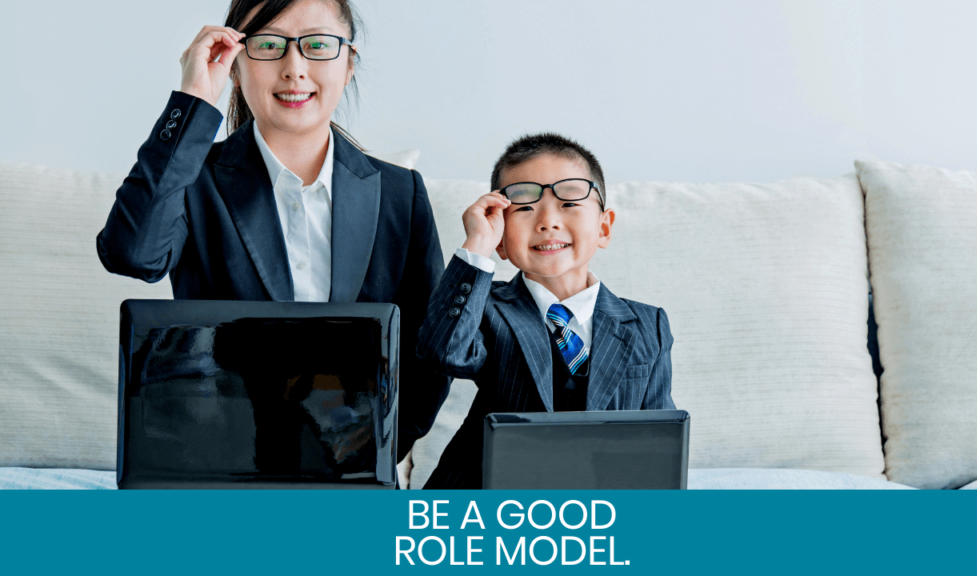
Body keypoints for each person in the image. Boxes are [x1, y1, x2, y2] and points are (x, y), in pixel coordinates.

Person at [96, 0, 449, 459]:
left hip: (351, 470)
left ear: (349, 66)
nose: (294, 68)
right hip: (217, 467)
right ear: (235, 67)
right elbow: (130, 253)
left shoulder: (402, 193)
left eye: (318, 45)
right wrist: (193, 102)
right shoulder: (193, 180)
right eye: (267, 44)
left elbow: (430, 352)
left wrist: (376, 451)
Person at [417, 133, 675, 489]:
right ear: (503, 242)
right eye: (524, 207)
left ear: (603, 226)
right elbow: (442, 351)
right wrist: (478, 244)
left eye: (569, 203)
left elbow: (659, 439)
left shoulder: (649, 325)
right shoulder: (487, 307)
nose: (547, 221)